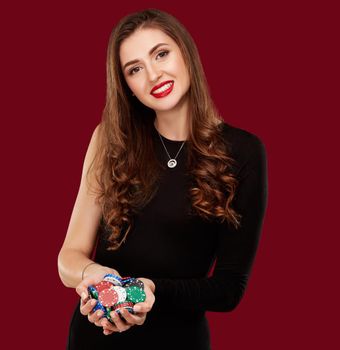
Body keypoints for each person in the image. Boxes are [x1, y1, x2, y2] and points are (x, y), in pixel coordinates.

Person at [57, 8, 268, 349]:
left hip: (179, 341)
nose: (153, 75)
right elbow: (69, 258)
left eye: (161, 54)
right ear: (127, 86)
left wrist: (150, 289)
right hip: (96, 336)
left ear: (186, 52)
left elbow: (230, 289)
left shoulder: (243, 151)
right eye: (135, 69)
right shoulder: (110, 140)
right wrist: (97, 277)